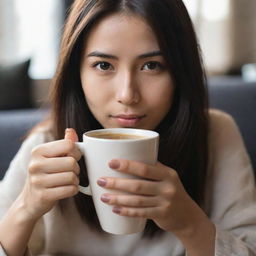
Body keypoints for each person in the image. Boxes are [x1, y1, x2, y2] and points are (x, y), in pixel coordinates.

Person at [0, 0, 256, 255]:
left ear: (181, 71)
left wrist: (189, 224)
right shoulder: (47, 143)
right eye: (104, 65)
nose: (127, 95)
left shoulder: (215, 134)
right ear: (76, 73)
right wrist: (26, 207)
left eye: (151, 65)